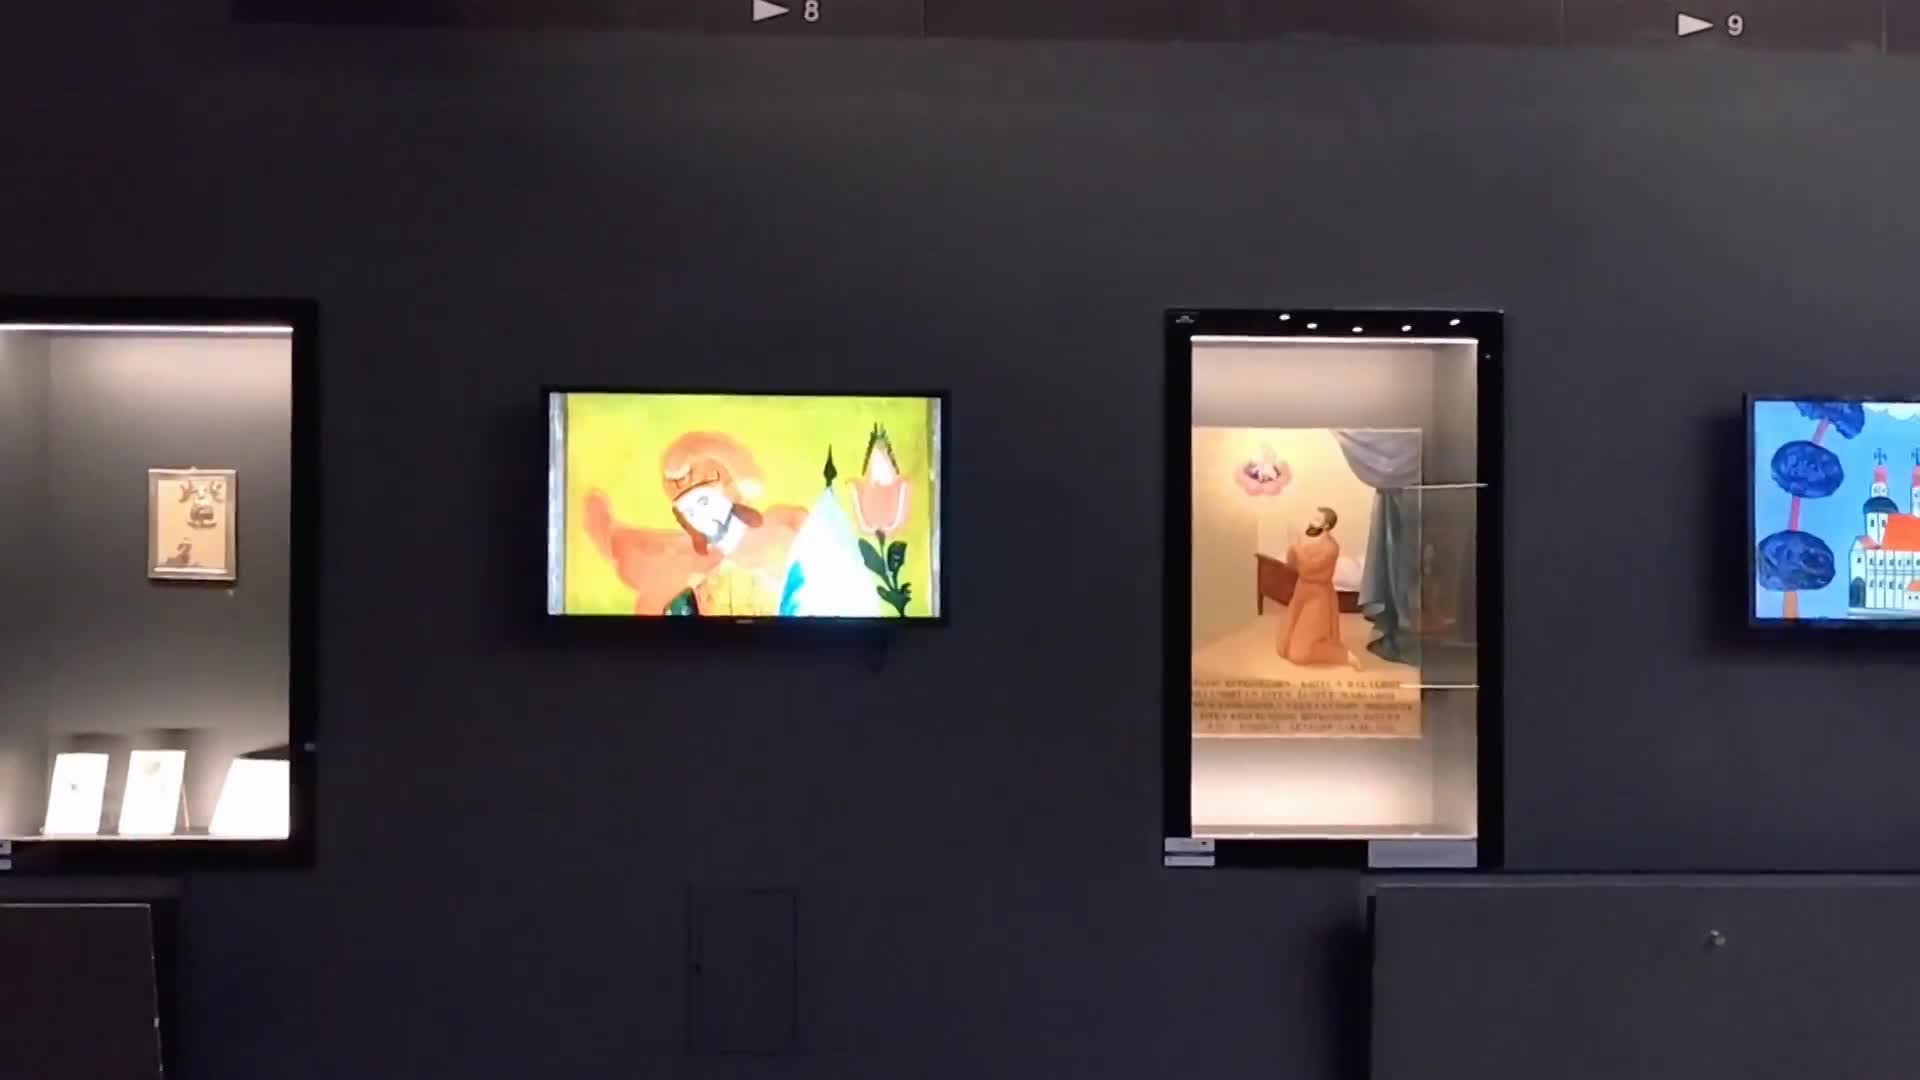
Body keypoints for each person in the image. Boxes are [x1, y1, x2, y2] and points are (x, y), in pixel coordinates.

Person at [1277, 507, 1361, 668]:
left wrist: (1297, 547)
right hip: (1301, 592)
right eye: (1312, 517)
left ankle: (1344, 656)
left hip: (1318, 597)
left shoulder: (1331, 547)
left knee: (1298, 655)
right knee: (1283, 648)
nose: (1311, 521)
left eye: (1316, 520)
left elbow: (1308, 570)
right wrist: (1292, 547)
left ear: (1326, 526)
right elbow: (1292, 566)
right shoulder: (1308, 541)